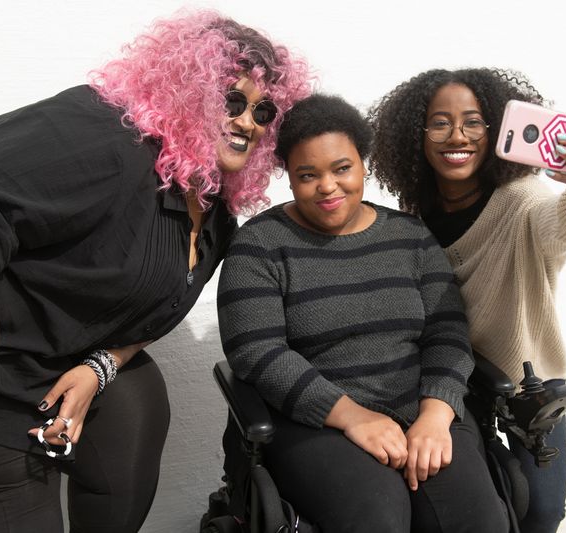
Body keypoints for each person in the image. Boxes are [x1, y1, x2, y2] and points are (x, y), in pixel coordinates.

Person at [0, 9, 311, 533]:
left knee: (135, 408)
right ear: (189, 90)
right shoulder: (104, 134)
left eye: (264, 111)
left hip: (14, 312)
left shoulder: (215, 214)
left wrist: (101, 366)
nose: (248, 121)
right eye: (232, 100)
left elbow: (155, 311)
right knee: (14, 475)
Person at [217, 94, 509, 532]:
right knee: (376, 517)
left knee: (478, 521)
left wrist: (436, 413)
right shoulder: (260, 246)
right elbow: (256, 353)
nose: (328, 187)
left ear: (363, 164)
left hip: (418, 406)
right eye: (308, 175)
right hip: (317, 420)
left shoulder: (410, 237)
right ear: (290, 180)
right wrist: (352, 416)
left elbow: (447, 332)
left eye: (341, 169)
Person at [368, 68, 566, 533]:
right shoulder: (414, 212)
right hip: (450, 379)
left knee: (542, 511)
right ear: (416, 136)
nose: (456, 135)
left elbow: (562, 223)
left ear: (497, 130)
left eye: (474, 121)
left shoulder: (521, 199)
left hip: (526, 384)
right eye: (439, 122)